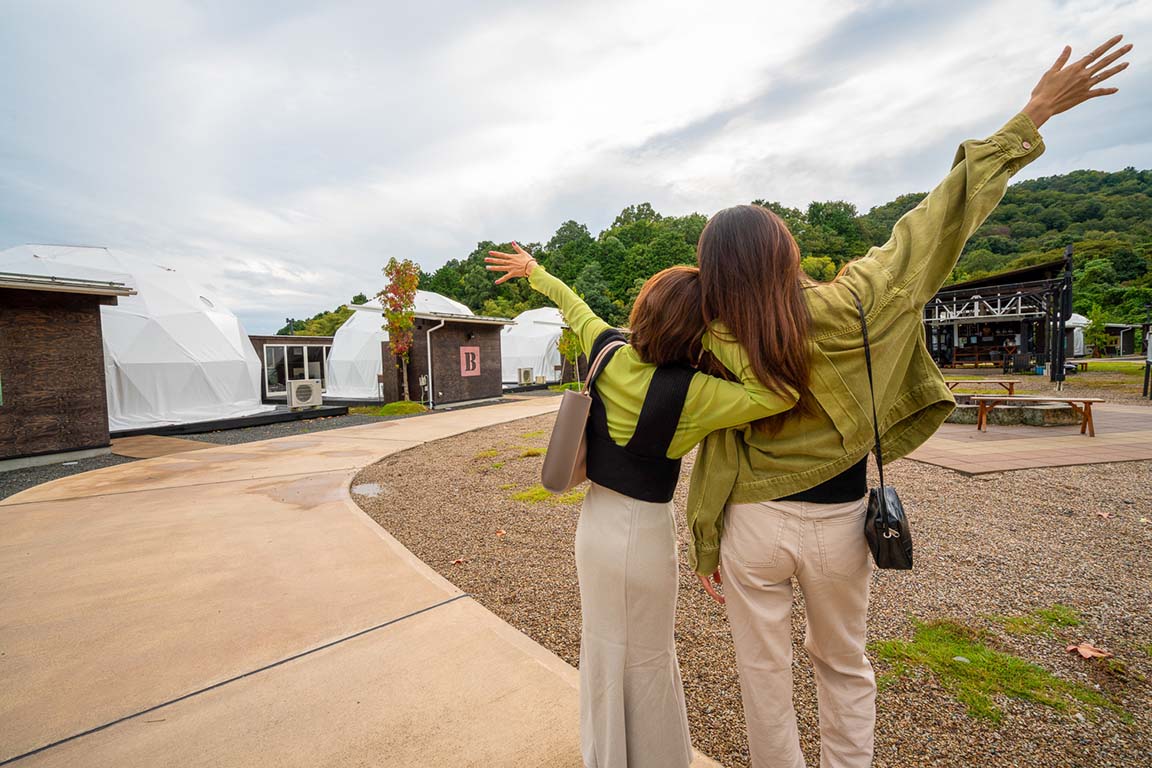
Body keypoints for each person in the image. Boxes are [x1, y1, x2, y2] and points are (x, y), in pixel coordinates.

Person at [686, 37, 1132, 768]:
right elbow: (940, 217)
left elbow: (694, 430)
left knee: (761, 678)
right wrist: (1032, 114)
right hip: (838, 524)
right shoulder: (862, 301)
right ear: (790, 255)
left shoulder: (707, 333)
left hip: (751, 526)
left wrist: (706, 539)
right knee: (844, 666)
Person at [485, 245, 799, 768]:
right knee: (650, 656)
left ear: (643, 312)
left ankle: (605, 755)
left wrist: (534, 271)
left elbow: (573, 304)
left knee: (603, 647)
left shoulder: (608, 351)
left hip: (595, 524)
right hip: (646, 532)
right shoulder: (697, 392)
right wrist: (724, 327)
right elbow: (779, 393)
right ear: (701, 328)